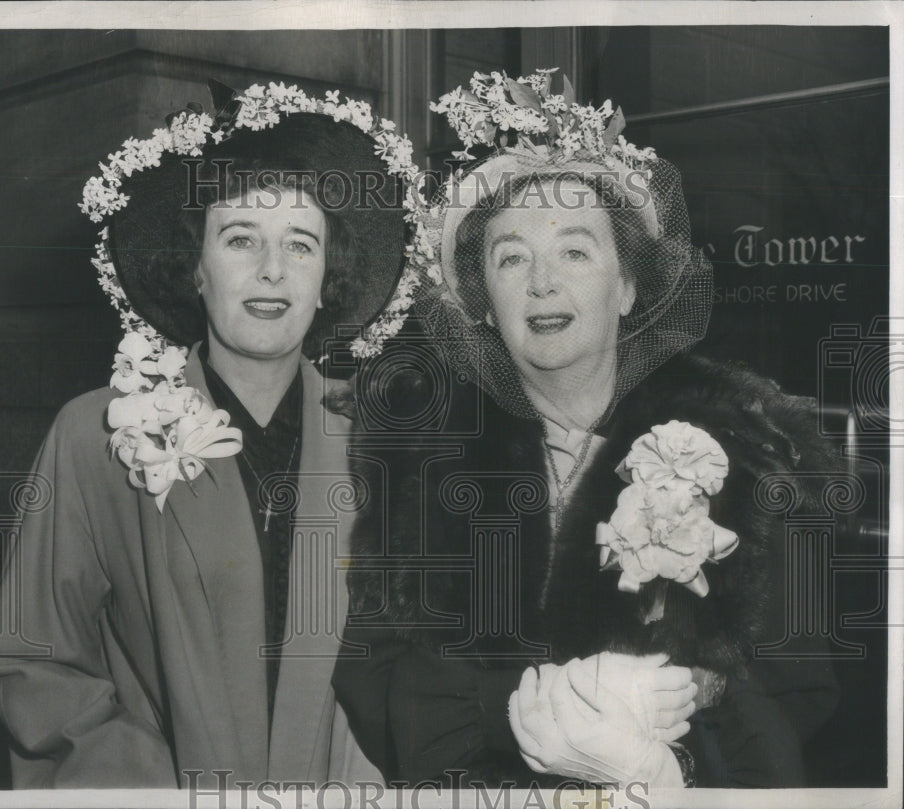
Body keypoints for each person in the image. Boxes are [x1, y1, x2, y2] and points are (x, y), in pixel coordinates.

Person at [333, 69, 839, 788]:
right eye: (511, 258)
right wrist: (518, 708)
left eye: (575, 250)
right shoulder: (425, 459)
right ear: (481, 301)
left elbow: (801, 697)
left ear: (628, 286)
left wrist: (699, 696)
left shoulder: (739, 451)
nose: (542, 282)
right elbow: (376, 682)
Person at [0, 79, 426, 787]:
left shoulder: (382, 443)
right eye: (240, 237)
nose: (271, 270)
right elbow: (31, 659)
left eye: (301, 244)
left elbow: (420, 663)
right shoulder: (97, 437)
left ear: (326, 279)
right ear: (195, 266)